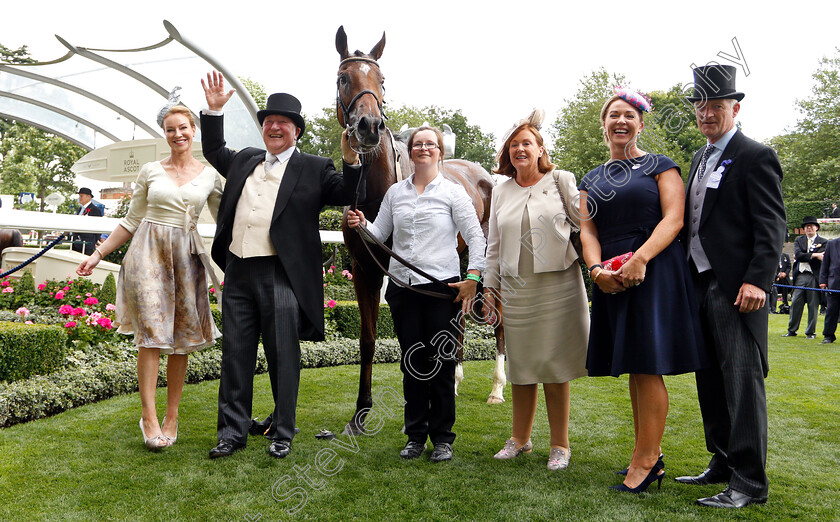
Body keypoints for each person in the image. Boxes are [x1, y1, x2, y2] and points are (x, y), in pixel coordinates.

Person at [200, 72, 362, 460]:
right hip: (237, 271)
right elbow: (213, 149)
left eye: (283, 123)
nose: (274, 127)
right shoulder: (244, 160)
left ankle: (283, 431)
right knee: (235, 354)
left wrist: (351, 157)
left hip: (281, 274)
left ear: (297, 132)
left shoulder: (315, 168)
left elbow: (349, 192)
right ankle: (231, 433)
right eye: (268, 122)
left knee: (282, 356)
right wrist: (214, 110)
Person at [579, 88, 707, 493]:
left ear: (641, 123)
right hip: (611, 277)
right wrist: (596, 270)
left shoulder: (660, 166)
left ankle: (647, 461)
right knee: (635, 364)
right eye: (613, 115)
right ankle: (646, 452)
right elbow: (587, 229)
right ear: (603, 124)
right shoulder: (592, 178)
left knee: (648, 363)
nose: (621, 122)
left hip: (654, 270)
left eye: (629, 116)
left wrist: (641, 259)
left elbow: (674, 219)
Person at [77, 103, 223, 451]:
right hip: (147, 255)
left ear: (194, 130)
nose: (178, 135)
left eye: (183, 128)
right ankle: (150, 417)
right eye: (171, 129)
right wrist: (97, 254)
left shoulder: (210, 176)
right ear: (165, 134)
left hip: (188, 257)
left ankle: (172, 416)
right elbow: (130, 221)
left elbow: (228, 221)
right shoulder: (149, 171)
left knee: (181, 339)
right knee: (152, 336)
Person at [676, 65, 786, 509]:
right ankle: (721, 462)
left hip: (738, 288)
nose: (707, 113)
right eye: (701, 106)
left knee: (742, 385)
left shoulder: (756, 155)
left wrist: (758, 281)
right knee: (710, 382)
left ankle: (749, 484)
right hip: (699, 286)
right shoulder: (701, 158)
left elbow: (772, 225)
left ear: (734, 108)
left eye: (716, 106)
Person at [347, 126, 485, 463]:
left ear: (440, 151)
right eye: (418, 144)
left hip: (442, 289)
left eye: (430, 144)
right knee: (412, 365)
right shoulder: (396, 193)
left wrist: (473, 278)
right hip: (403, 289)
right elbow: (380, 234)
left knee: (440, 363)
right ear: (410, 152)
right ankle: (414, 436)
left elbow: (477, 239)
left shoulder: (453, 194)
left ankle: (442, 439)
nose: (424, 149)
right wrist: (361, 224)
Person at [481, 110, 588, 471]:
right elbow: (493, 244)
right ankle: (520, 439)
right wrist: (489, 289)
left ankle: (560, 445)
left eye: (527, 143)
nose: (520, 149)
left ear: (541, 148)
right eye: (514, 145)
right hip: (515, 287)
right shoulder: (501, 191)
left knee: (555, 367)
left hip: (559, 283)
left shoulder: (561, 179)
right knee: (522, 365)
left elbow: (584, 222)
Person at [784, 217, 826, 339]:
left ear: (816, 227)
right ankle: (792, 330)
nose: (809, 228)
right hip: (800, 275)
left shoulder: (823, 242)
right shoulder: (799, 240)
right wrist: (815, 255)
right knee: (796, 303)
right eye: (806, 226)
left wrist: (810, 255)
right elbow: (799, 255)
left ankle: (810, 332)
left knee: (813, 305)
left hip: (814, 276)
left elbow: (822, 257)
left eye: (811, 226)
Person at [819, 237, 840, 343]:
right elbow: (825, 264)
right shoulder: (832, 244)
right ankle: (828, 335)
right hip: (834, 283)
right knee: (831, 310)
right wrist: (823, 280)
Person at [71, 187, 103, 255]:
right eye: (79, 196)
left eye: (81, 196)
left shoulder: (95, 210)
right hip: (76, 243)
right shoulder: (80, 209)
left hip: (87, 244)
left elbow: (99, 227)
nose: (79, 198)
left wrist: (93, 241)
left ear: (88, 197)